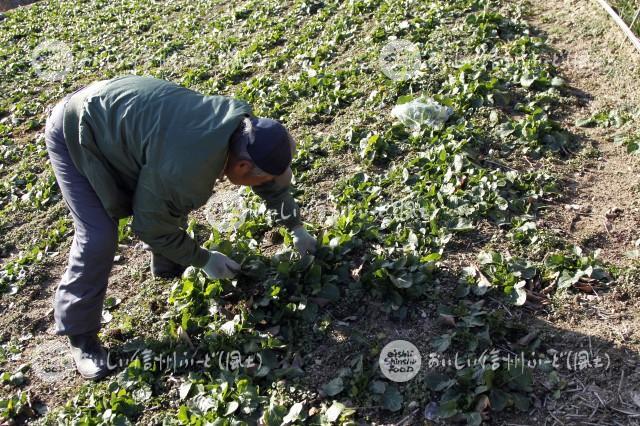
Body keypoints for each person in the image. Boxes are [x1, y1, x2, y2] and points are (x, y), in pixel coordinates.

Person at [43, 75, 317, 380]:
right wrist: (203, 259)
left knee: (163, 192)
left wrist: (295, 227)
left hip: (119, 120)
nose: (264, 184)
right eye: (260, 179)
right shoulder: (186, 169)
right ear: (241, 167)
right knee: (98, 236)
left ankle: (168, 260)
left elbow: (271, 180)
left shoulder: (244, 129)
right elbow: (150, 226)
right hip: (76, 131)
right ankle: (81, 336)